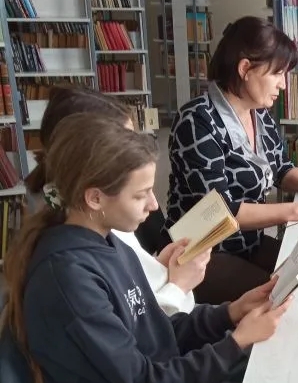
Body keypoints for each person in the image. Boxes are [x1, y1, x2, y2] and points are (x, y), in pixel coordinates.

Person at [3, 114, 290, 383]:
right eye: (140, 195)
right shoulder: (68, 279)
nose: (154, 205)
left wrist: (230, 314)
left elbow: (155, 329)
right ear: (94, 197)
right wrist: (236, 342)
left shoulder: (108, 240)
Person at [167, 16, 298, 303]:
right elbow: (222, 213)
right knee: (290, 297)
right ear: (245, 68)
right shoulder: (196, 121)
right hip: (203, 255)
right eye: (278, 73)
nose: (283, 84)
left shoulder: (258, 113)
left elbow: (281, 169)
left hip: (246, 244)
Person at [27, 85, 206, 316]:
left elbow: (132, 293)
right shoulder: (75, 260)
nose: (154, 204)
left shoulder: (97, 219)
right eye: (125, 141)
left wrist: (157, 268)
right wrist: (178, 286)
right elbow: (138, 324)